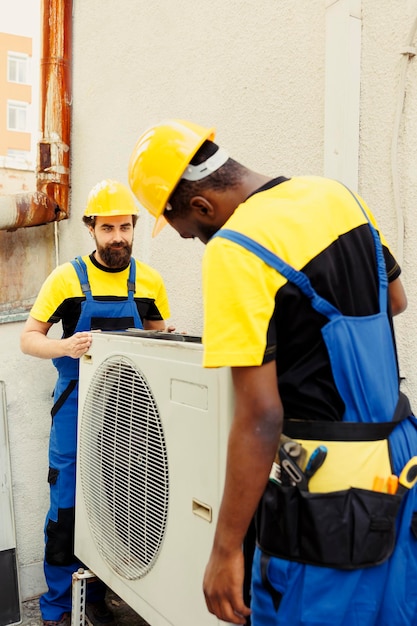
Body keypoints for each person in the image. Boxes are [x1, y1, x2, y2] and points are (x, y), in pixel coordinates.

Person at [127, 119, 417, 626]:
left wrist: (225, 549)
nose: (196, 239)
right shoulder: (335, 195)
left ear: (201, 207)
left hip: (326, 492)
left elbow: (260, 416)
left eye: (189, 232)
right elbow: (395, 298)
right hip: (399, 454)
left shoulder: (234, 248)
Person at [20, 179, 172, 626]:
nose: (118, 236)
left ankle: (105, 595)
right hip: (75, 408)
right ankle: (58, 609)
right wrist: (65, 348)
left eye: (125, 226)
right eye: (108, 228)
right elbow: (30, 340)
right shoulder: (66, 279)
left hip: (132, 414)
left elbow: (163, 337)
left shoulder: (150, 281)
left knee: (122, 507)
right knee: (66, 508)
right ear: (91, 229)